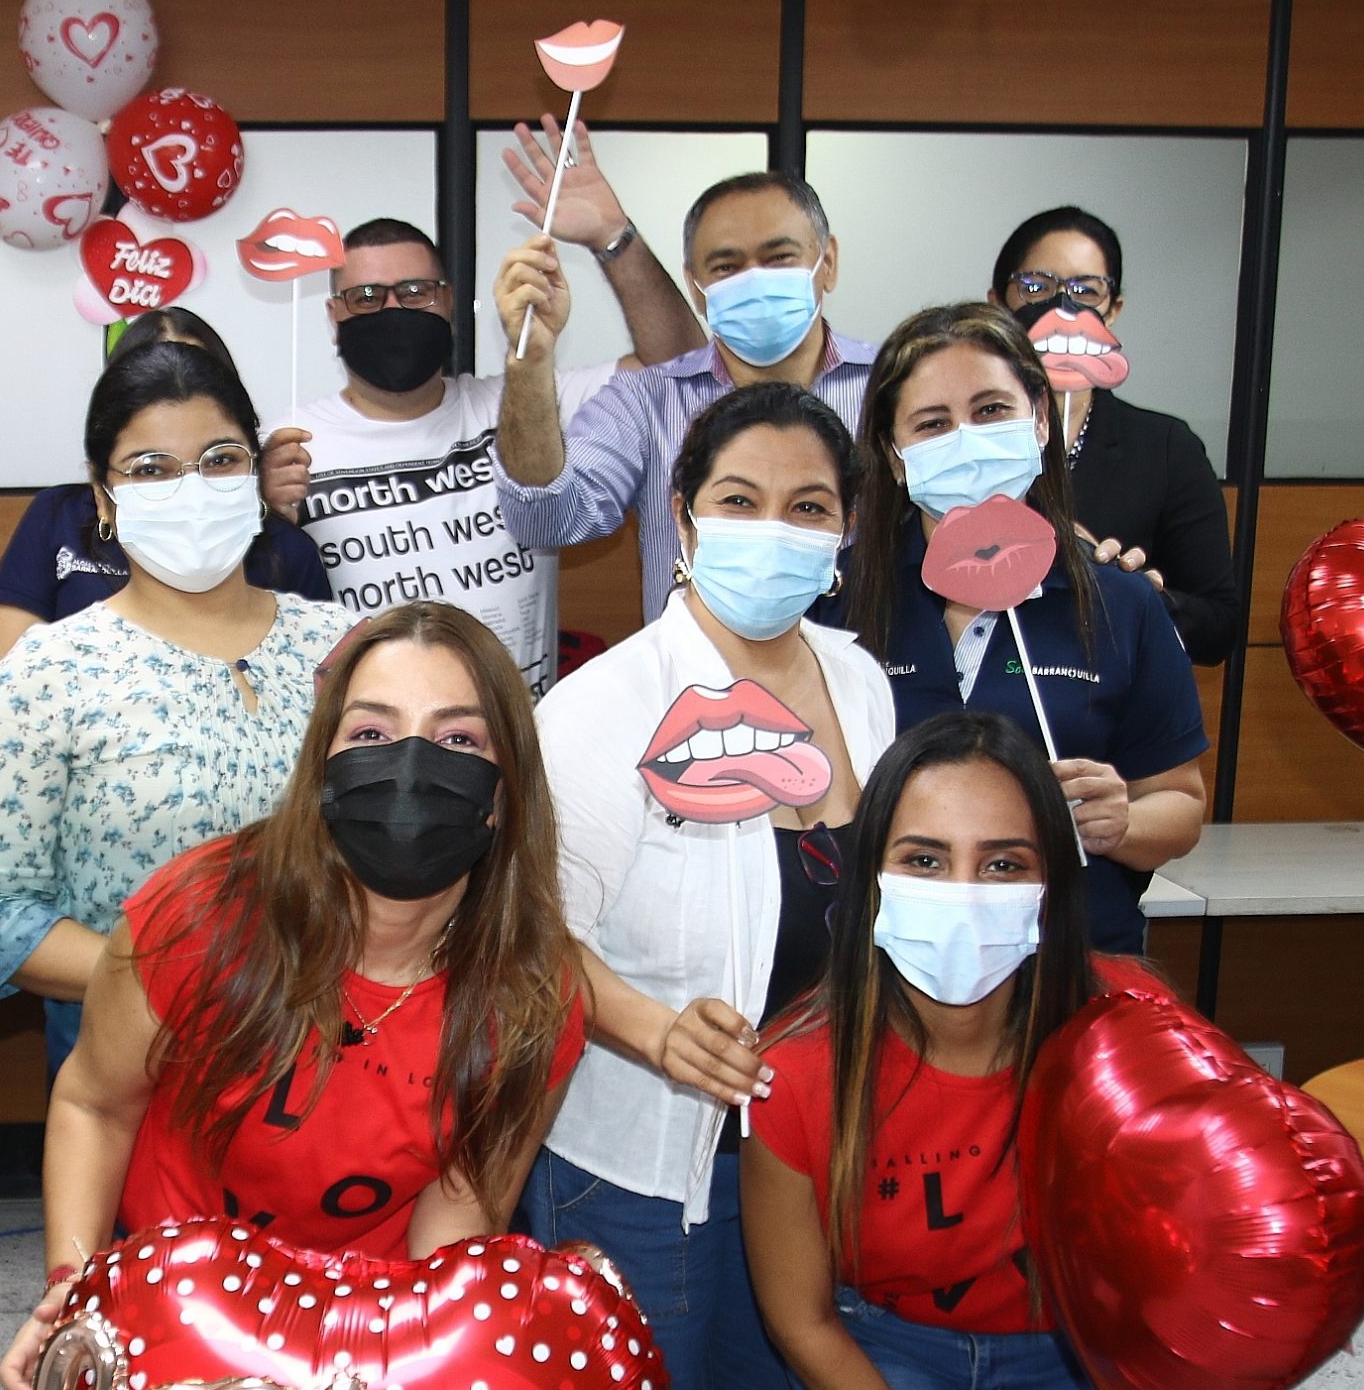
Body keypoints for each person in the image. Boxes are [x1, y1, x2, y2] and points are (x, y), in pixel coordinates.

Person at [0, 603, 589, 1390]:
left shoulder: (530, 993)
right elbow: (94, 1100)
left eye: (460, 742)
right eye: (372, 732)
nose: (411, 767)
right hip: (187, 1355)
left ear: (508, 788)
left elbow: (457, 1224)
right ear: (318, 762)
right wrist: (72, 1291)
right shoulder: (196, 917)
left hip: (369, 1362)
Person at [526, 383, 899, 1390]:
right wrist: (649, 1025)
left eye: (810, 508)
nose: (775, 533)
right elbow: (530, 937)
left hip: (809, 1141)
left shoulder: (856, 680)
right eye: (742, 502)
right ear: (683, 522)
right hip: (644, 1146)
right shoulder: (607, 705)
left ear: (848, 531)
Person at [741, 708, 1148, 1390]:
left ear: (1054, 885)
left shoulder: (1129, 1043)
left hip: (1065, 1364)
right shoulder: (796, 1068)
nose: (963, 895)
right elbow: (801, 1320)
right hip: (888, 1355)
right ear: (870, 876)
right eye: (924, 858)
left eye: (1003, 863)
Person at [0, 341, 356, 1074]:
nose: (192, 488)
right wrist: (190, 981)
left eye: (221, 459)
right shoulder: (47, 672)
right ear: (104, 500)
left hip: (339, 1056)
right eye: (151, 470)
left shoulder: (346, 647)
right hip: (136, 1078)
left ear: (256, 479)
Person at [276, 119, 703, 694]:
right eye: (367, 297)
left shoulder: (525, 402)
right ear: (334, 316)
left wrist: (613, 237)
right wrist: (261, 515)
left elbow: (680, 365)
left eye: (415, 293)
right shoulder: (288, 444)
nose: (392, 311)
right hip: (373, 754)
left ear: (449, 303)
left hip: (520, 749)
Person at [838, 302, 1207, 958]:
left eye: (990, 411)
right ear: (895, 460)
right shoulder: (836, 606)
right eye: (932, 424)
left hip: (1075, 961)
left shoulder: (1121, 602)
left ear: (1039, 419)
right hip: (888, 966)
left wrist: (1119, 822)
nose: (966, 439)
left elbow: (1178, 804)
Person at [496, 171, 879, 626]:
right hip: (694, 689)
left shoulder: (893, 389)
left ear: (828, 262)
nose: (754, 280)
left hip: (863, 682)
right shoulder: (646, 400)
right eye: (726, 267)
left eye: (779, 258)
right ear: (695, 285)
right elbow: (545, 519)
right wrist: (531, 362)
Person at [0, 306, 333, 705]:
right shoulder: (58, 517)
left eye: (219, 459)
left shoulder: (288, 552)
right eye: (152, 468)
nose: (176, 395)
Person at [989, 206, 1241, 666]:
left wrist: (1138, 595)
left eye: (1086, 290)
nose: (1061, 306)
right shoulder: (958, 434)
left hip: (1104, 701)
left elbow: (1218, 627)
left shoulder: (1164, 448)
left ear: (1114, 309)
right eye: (1035, 287)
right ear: (997, 302)